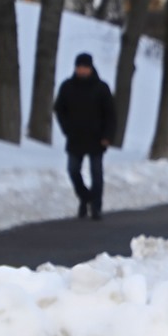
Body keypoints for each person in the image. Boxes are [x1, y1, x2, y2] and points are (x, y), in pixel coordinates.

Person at [54, 53, 116, 220]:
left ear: (90, 68)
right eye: (79, 67)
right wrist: (66, 128)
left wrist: (108, 136)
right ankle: (85, 197)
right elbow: (59, 109)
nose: (82, 70)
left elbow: (110, 114)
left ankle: (96, 206)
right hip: (75, 136)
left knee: (96, 172)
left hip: (97, 137)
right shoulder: (67, 86)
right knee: (73, 170)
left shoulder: (101, 88)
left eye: (85, 67)